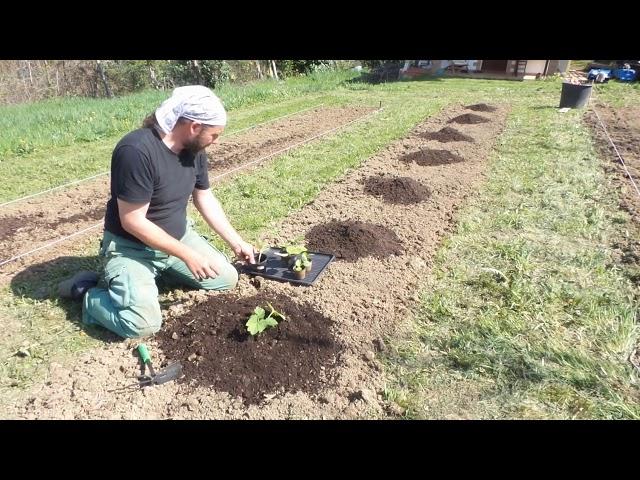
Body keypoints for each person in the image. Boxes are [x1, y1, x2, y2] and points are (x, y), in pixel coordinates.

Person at [58, 85, 256, 338]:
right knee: (142, 324)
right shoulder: (136, 151)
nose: (216, 141)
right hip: (132, 249)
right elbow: (132, 221)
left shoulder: (194, 150)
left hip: (177, 239)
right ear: (194, 127)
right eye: (214, 135)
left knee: (226, 278)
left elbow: (203, 196)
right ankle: (87, 292)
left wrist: (236, 242)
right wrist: (188, 255)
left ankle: (149, 279)